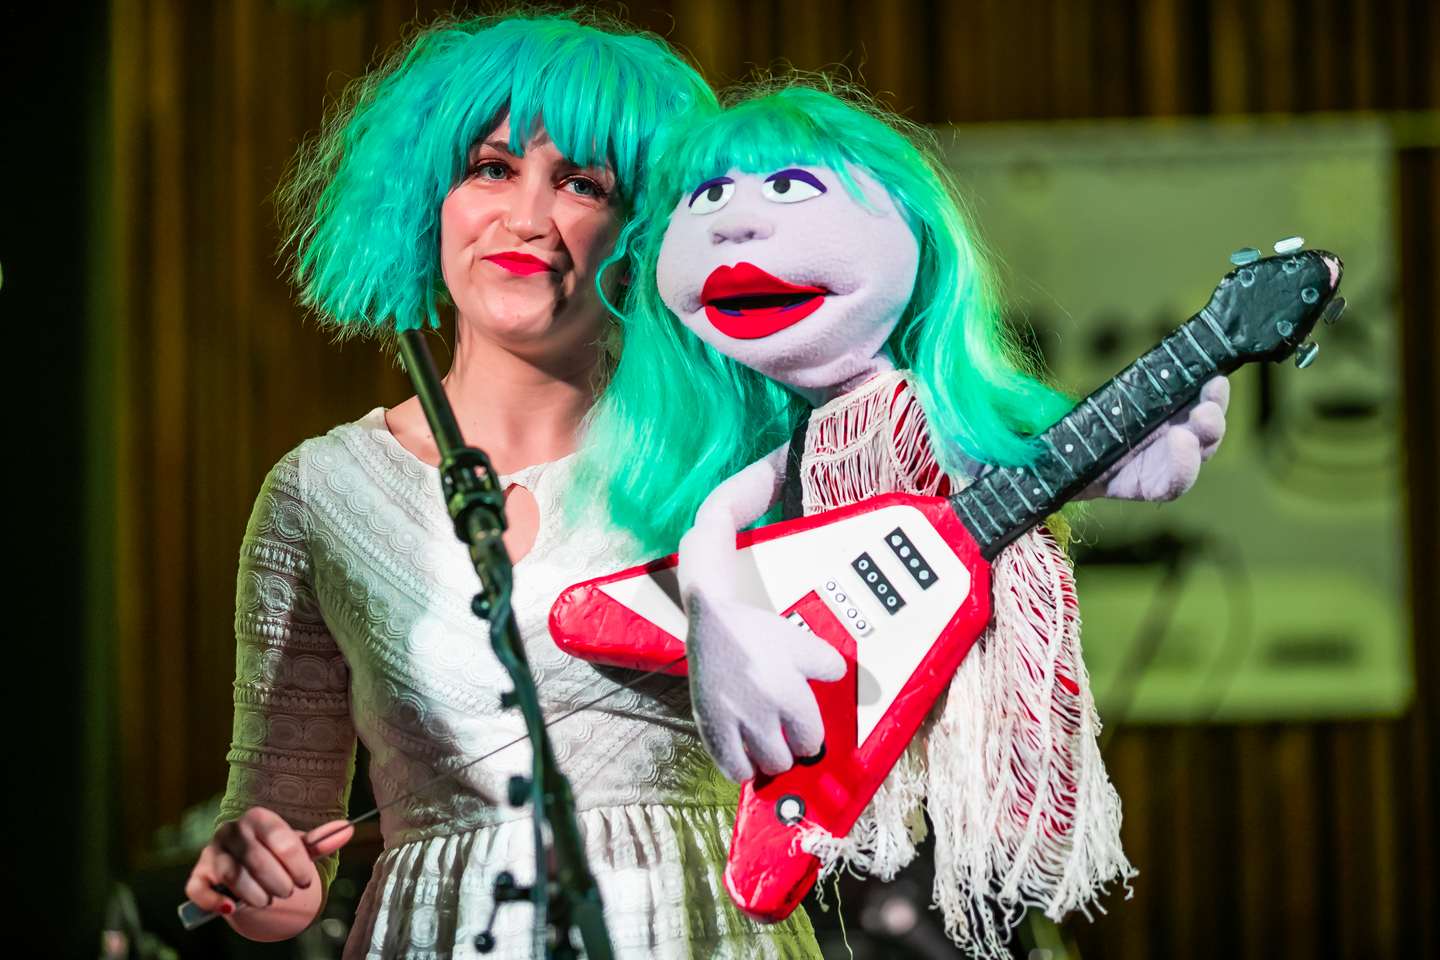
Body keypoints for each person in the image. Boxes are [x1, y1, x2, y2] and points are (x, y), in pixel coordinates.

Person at [185, 13, 820, 959]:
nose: (526, 217)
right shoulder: (319, 493)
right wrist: (255, 874)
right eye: (491, 168)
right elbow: (280, 867)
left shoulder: (745, 465)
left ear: (647, 235)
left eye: (580, 183)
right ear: (428, 199)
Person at [579, 83, 1230, 956]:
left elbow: (1038, 456)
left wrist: (1139, 464)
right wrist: (719, 612)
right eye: (708, 201)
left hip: (954, 753)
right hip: (844, 762)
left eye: (786, 190)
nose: (734, 225)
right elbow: (711, 531)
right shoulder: (788, 449)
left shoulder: (947, 415)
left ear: (914, 229)